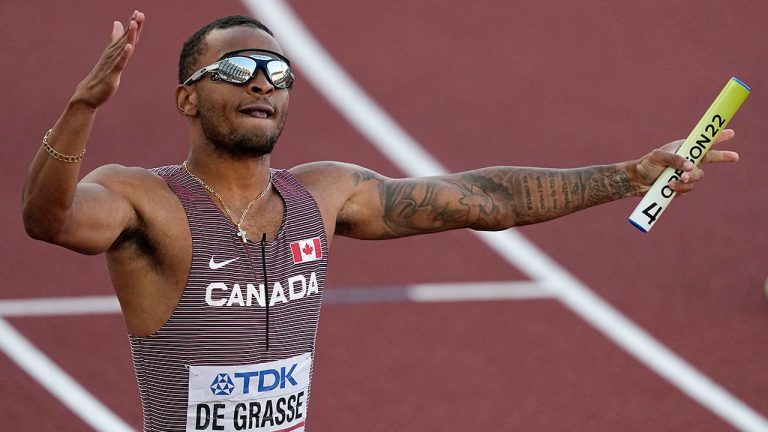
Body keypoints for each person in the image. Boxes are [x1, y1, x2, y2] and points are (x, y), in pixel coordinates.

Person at [21, 11, 739, 432]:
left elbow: (483, 199)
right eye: (238, 69)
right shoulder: (143, 198)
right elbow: (49, 220)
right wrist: (83, 108)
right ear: (186, 99)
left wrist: (627, 176)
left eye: (278, 71)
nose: (264, 82)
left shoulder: (324, 195)